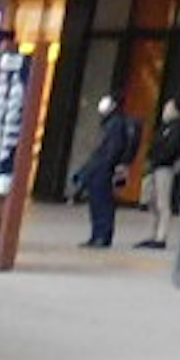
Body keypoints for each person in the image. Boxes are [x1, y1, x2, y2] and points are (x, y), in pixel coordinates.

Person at [73, 94, 142, 249]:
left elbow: (111, 149)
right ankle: (97, 235)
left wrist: (104, 165)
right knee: (98, 203)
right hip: (102, 167)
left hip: (103, 169)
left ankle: (101, 236)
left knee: (101, 203)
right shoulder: (111, 123)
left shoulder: (115, 124)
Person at [136, 99, 180, 249]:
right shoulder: (164, 127)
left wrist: (159, 159)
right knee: (153, 202)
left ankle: (161, 237)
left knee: (162, 202)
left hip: (165, 167)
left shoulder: (177, 129)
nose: (165, 110)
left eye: (168, 108)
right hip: (155, 166)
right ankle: (152, 234)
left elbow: (172, 148)